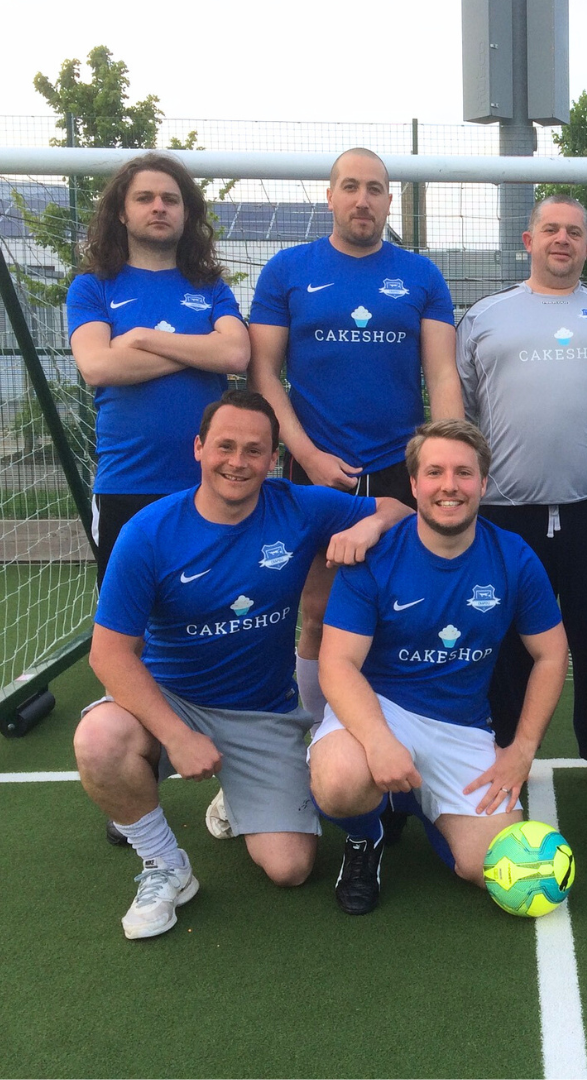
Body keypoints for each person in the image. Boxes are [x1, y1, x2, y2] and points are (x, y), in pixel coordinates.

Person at [72, 390, 411, 939]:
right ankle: (164, 865)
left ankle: (237, 788)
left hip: (262, 711)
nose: (238, 461)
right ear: (198, 448)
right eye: (225, 446)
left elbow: (398, 508)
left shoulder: (299, 506)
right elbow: (108, 654)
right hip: (172, 702)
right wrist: (177, 736)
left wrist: (366, 526)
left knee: (290, 868)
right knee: (98, 739)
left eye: (254, 450)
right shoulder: (148, 533)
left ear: (273, 458)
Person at [456, 194, 587, 790]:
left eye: (574, 232)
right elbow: (461, 412)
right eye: (550, 229)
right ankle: (502, 748)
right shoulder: (484, 316)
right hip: (503, 514)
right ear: (528, 241)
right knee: (505, 640)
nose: (562, 239)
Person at [311, 419, 568, 915]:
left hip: (461, 726)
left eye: (463, 473)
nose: (449, 485)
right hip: (381, 711)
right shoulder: (376, 554)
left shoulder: (513, 556)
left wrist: (521, 750)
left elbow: (551, 654)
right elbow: (338, 664)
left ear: (483, 483)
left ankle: (415, 802)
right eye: (434, 472)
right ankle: (366, 835)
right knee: (340, 779)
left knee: (492, 868)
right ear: (413, 484)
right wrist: (379, 741)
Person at [248, 146, 463, 728]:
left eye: (373, 189)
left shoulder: (421, 274)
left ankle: (405, 729)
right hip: (314, 468)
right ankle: (317, 736)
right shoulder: (287, 270)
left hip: (399, 468)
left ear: (389, 200)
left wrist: (441, 460)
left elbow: (443, 374)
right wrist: (305, 452)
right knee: (317, 613)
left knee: (406, 607)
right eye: (350, 187)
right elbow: (263, 372)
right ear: (330, 197)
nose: (362, 200)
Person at [67, 151, 250, 585]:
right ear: (122, 213)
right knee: (127, 619)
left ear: (186, 213)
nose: (159, 207)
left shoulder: (210, 287)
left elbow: (235, 355)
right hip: (126, 484)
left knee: (208, 612)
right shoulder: (92, 287)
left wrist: (140, 338)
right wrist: (198, 349)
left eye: (170, 199)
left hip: (208, 483)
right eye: (144, 198)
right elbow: (97, 366)